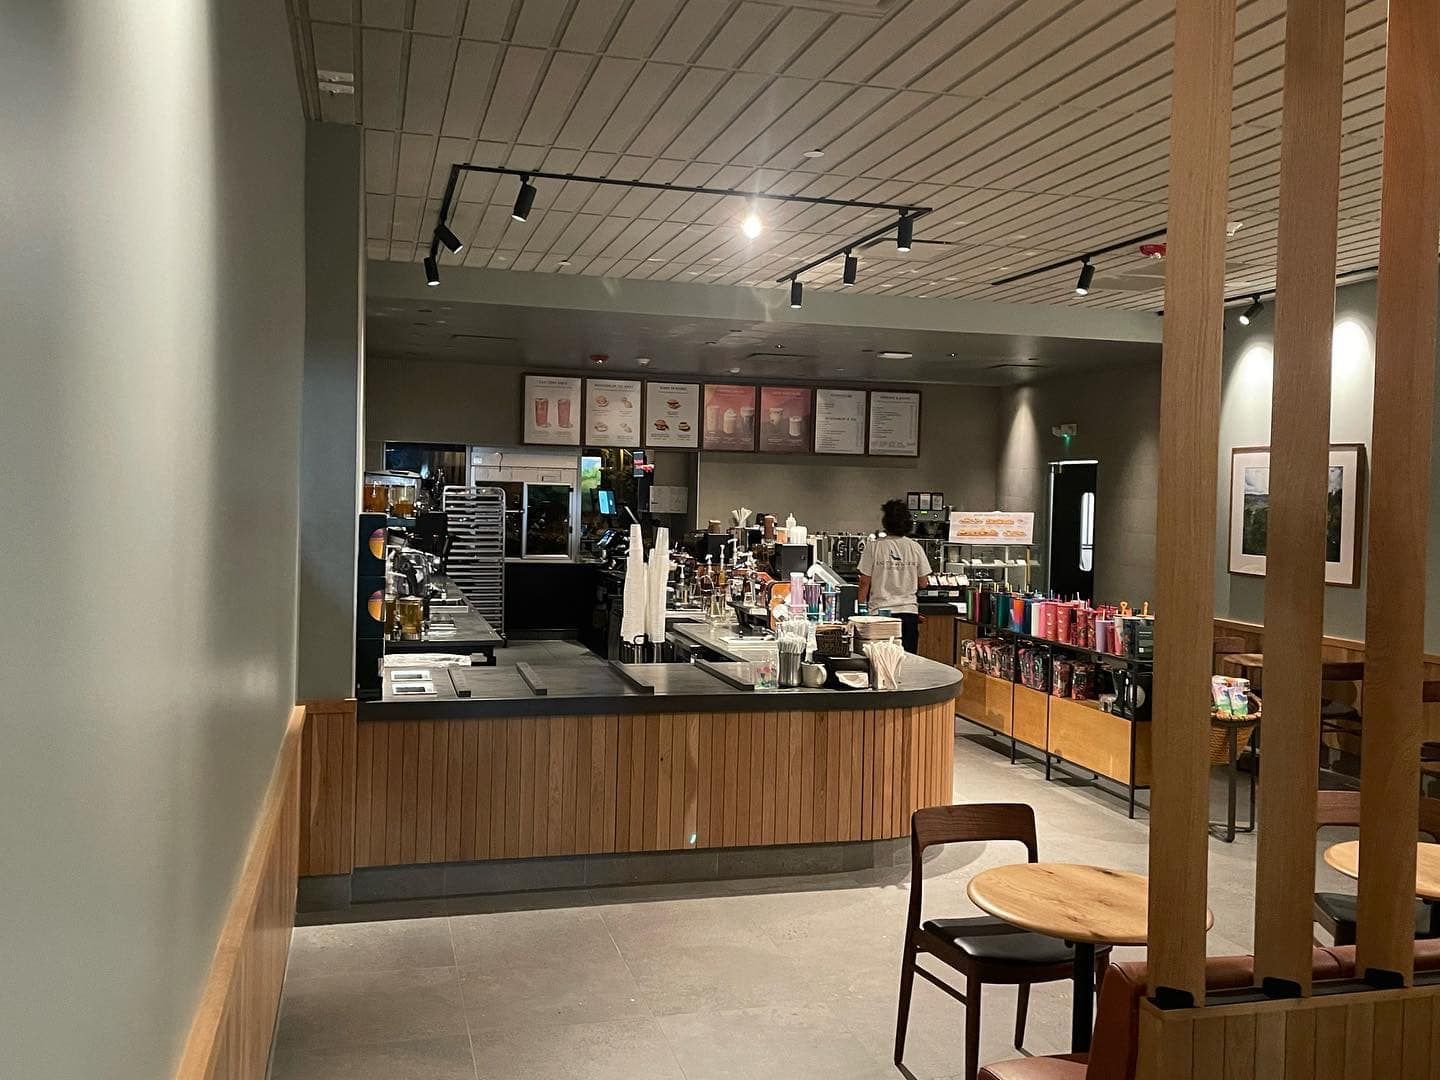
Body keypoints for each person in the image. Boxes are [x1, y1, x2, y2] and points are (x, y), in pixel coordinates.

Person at [857, 498, 932, 654]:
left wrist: (860, 610)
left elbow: (864, 582)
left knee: (880, 661)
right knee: (907, 661)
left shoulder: (874, 547)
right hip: (908, 614)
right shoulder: (915, 547)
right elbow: (923, 582)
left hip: (880, 613)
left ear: (885, 522)